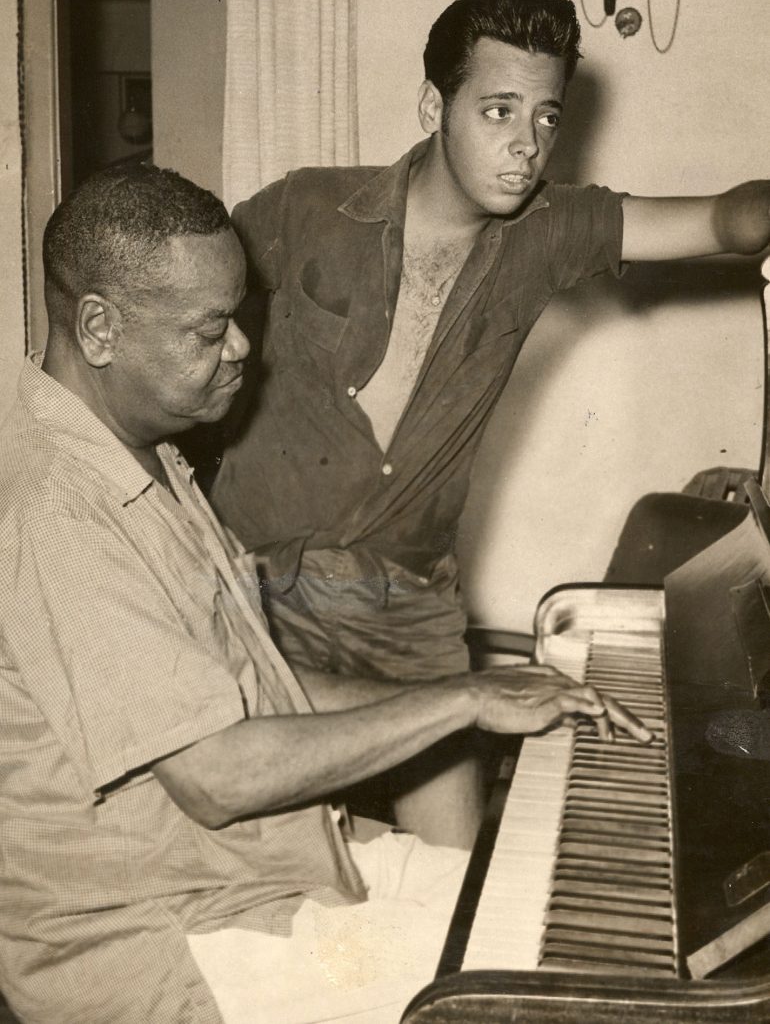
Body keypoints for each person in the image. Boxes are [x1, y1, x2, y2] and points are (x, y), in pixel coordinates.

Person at [0, 164, 653, 1024]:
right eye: (211, 329)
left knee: (550, 902)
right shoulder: (55, 508)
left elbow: (255, 688)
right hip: (166, 941)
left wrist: (476, 693)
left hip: (264, 871)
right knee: (542, 977)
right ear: (99, 328)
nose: (243, 346)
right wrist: (463, 701)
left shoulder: (141, 449)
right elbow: (216, 775)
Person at [208, 0, 770, 850]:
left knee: (458, 874)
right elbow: (179, 317)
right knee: (286, 868)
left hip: (408, 606)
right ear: (434, 106)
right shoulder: (306, 208)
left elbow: (732, 222)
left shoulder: (550, 231)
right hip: (259, 589)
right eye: (499, 111)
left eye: (546, 117)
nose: (526, 145)